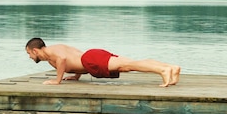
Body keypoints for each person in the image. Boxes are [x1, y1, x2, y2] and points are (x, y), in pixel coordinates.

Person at [25, 37, 180, 87]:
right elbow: (73, 58)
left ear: (35, 50)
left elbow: (63, 59)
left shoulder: (51, 52)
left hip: (91, 60)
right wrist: (75, 76)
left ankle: (163, 71)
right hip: (91, 58)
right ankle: (169, 67)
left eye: (29, 54)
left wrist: (57, 81)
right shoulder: (55, 49)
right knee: (130, 64)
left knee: (130, 65)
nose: (30, 58)